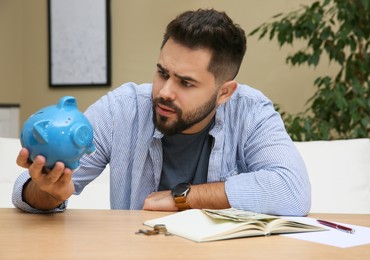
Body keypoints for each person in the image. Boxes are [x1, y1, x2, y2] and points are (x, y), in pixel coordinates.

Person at [12, 9, 311, 215]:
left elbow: (292, 190)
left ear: (224, 93)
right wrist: (49, 192)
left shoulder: (251, 113)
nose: (165, 91)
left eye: (186, 82)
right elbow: (25, 193)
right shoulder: (123, 108)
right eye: (162, 72)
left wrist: (180, 198)